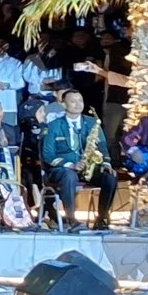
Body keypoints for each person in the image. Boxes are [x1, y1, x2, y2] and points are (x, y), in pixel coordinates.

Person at [41, 90, 116, 231]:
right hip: (63, 169)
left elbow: (102, 146)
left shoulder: (92, 122)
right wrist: (70, 165)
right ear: (63, 104)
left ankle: (102, 218)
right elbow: (48, 154)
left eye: (80, 100)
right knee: (69, 176)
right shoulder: (54, 125)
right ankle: (71, 219)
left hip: (89, 167)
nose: (78, 104)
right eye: (73, 101)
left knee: (110, 177)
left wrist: (106, 163)